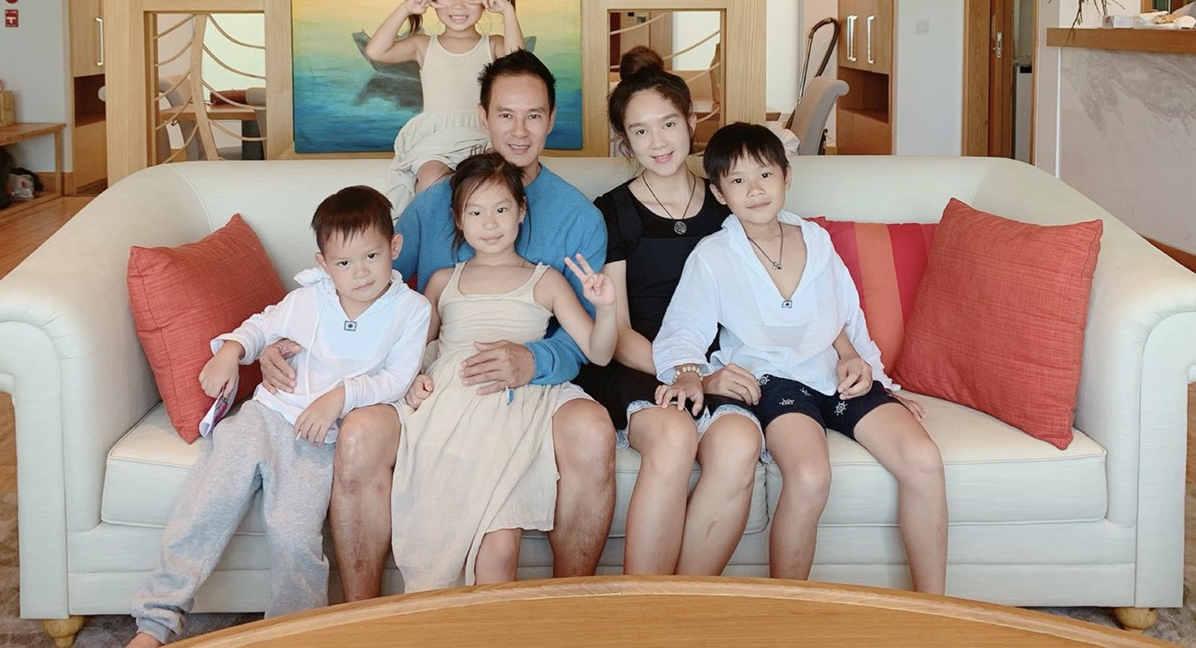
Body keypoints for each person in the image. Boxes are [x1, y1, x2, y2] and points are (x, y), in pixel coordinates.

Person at [261, 49, 615, 601]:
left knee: (593, 431)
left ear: (551, 119)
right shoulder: (434, 206)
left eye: (533, 115)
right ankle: (365, 616)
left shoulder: (579, 218)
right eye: (505, 114)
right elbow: (368, 282)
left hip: (530, 389)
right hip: (440, 376)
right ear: (482, 116)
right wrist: (287, 337)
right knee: (360, 435)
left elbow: (583, 338)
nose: (519, 130)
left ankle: (568, 611)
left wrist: (533, 360)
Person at [126, 187, 431, 647]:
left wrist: (339, 397)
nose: (360, 272)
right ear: (324, 263)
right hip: (266, 416)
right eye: (344, 263)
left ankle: (293, 632)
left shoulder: (411, 310)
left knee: (294, 535)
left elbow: (396, 378)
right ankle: (155, 620)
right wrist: (231, 351)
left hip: (320, 438)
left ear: (395, 246)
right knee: (209, 500)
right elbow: (262, 324)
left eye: (372, 256)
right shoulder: (309, 298)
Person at [652, 122, 948, 593]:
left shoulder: (816, 240)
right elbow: (683, 330)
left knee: (924, 458)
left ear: (787, 177)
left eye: (765, 175)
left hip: (834, 373)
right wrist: (695, 376)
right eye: (738, 180)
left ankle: (934, 610)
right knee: (809, 476)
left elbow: (845, 317)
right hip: (773, 382)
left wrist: (872, 375)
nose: (755, 190)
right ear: (720, 193)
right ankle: (788, 612)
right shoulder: (713, 255)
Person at [390, 153, 618, 591]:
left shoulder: (546, 280)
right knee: (454, 532)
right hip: (455, 400)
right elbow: (411, 351)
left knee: (499, 548)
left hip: (522, 401)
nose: (490, 223)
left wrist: (606, 309)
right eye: (475, 212)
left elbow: (599, 352)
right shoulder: (442, 281)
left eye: (501, 209)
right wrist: (411, 381)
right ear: (458, 219)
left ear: (521, 211)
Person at [578, 48, 764, 575]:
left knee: (740, 441)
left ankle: (685, 604)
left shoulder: (726, 203)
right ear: (625, 141)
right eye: (640, 131)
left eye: (667, 124)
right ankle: (643, 606)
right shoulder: (612, 211)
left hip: (715, 364)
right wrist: (689, 375)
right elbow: (615, 331)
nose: (657, 142)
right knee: (675, 433)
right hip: (638, 362)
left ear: (691, 121)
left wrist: (707, 373)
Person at [366, 0, 524, 212]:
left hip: (481, 136)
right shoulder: (423, 45)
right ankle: (435, 235)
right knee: (431, 181)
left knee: (488, 185)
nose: (458, 5)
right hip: (436, 139)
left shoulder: (494, 44)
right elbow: (375, 51)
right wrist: (406, 8)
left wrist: (507, 11)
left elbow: (520, 65)